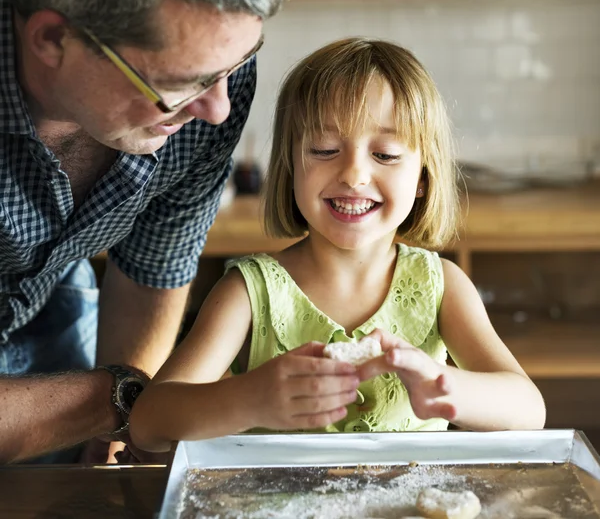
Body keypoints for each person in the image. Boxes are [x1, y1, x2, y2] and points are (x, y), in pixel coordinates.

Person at [129, 37, 546, 453]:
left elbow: (529, 409)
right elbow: (149, 422)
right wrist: (248, 400)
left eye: (384, 154)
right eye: (325, 149)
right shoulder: (249, 291)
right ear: (290, 166)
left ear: (423, 177)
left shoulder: (442, 286)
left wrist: (444, 387)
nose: (353, 174)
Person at [0, 0, 289, 464]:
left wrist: (112, 438)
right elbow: (126, 397)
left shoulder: (211, 87)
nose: (219, 108)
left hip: (50, 303)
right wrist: (118, 398)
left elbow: (152, 272)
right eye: (180, 84)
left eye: (237, 64)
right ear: (52, 40)